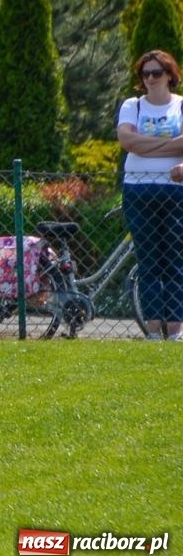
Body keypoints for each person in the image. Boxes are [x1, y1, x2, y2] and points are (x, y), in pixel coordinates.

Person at [116, 50, 183, 340]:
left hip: (175, 192)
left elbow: (137, 143)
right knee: (149, 261)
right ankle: (153, 330)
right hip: (138, 189)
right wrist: (171, 145)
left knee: (175, 259)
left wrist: (147, 146)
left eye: (157, 73)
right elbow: (127, 140)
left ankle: (176, 329)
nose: (151, 79)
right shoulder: (133, 106)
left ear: (170, 74)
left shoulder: (181, 106)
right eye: (146, 74)